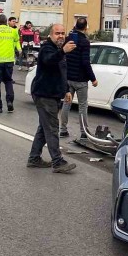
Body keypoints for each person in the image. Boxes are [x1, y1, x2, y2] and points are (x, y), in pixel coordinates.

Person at [27, 23, 77, 173]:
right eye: (57, 33)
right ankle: (58, 161)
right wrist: (63, 51)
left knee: (44, 128)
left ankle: (34, 158)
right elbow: (49, 60)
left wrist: (66, 90)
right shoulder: (47, 48)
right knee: (52, 128)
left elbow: (61, 71)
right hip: (44, 94)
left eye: (63, 33)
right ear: (50, 35)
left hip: (53, 93)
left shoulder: (58, 50)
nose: (61, 36)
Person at [59, 17, 98, 140]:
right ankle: (84, 132)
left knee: (66, 103)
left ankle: (63, 130)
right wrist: (93, 79)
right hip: (81, 80)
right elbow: (85, 62)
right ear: (86, 27)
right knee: (82, 106)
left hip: (68, 78)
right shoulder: (84, 42)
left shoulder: (68, 38)